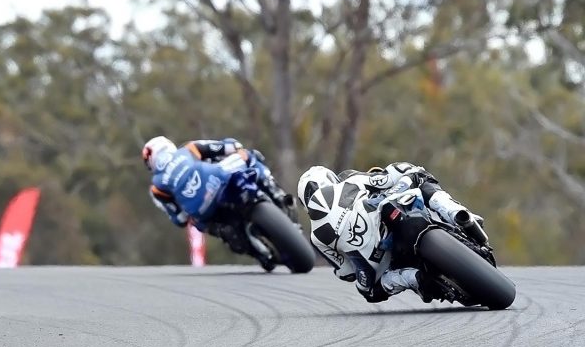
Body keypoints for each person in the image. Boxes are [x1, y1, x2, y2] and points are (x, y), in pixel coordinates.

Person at [297, 162, 488, 303]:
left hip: (382, 253)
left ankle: (415, 279)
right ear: (331, 178)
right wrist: (403, 176)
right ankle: (459, 215)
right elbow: (385, 179)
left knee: (370, 292)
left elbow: (346, 271)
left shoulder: (316, 236)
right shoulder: (351, 180)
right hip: (391, 212)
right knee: (418, 176)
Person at [141, 135, 278, 264]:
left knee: (196, 221)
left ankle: (236, 239)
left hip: (201, 210)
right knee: (249, 155)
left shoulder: (157, 187)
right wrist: (235, 148)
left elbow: (179, 219)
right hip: (219, 178)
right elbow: (229, 146)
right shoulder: (189, 149)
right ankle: (274, 190)